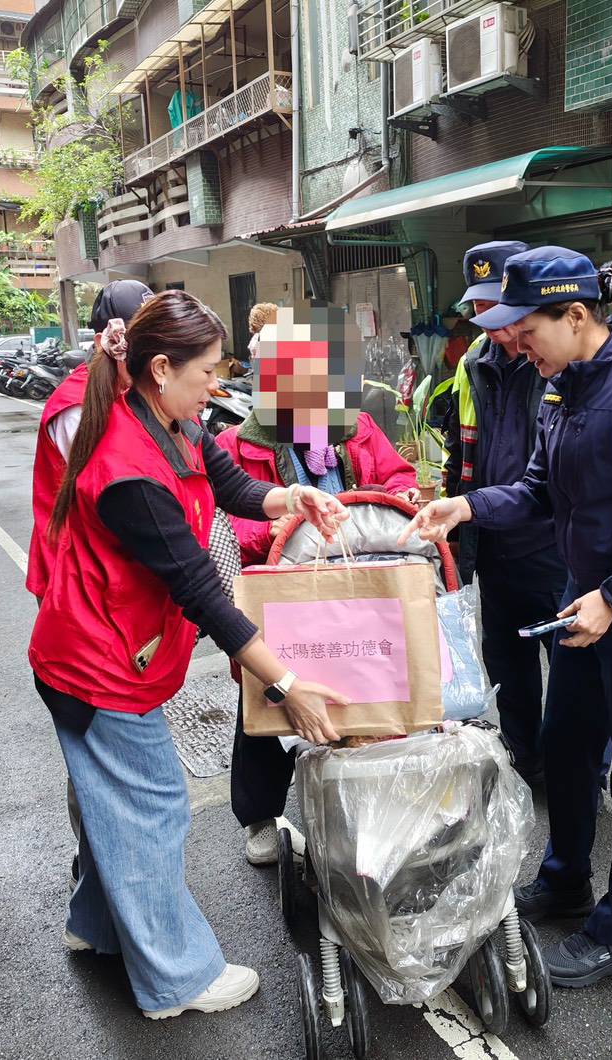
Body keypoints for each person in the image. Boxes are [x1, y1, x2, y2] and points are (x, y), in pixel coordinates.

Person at [401, 247, 612, 988]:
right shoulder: (560, 389)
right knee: (566, 748)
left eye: (526, 330)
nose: (516, 344)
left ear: (576, 316)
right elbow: (538, 490)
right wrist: (467, 505)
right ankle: (565, 879)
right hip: (582, 603)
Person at [28, 291, 351, 1020]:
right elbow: (202, 590)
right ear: (160, 368)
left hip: (113, 646)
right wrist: (287, 683)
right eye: (208, 371)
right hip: (96, 663)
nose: (218, 385)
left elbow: (228, 485)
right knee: (152, 810)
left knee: (114, 805)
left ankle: (96, 928)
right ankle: (175, 980)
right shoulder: (126, 467)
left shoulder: (172, 419)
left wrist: (291, 498)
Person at [216, 306, 418, 864]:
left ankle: (364, 801)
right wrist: (273, 528)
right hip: (282, 595)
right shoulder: (237, 444)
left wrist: (401, 496)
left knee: (363, 688)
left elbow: (395, 476)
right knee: (269, 701)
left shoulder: (358, 429)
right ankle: (260, 816)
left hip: (358, 584)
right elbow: (226, 522)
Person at [442, 240, 567, 784]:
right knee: (508, 667)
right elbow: (459, 445)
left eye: (498, 305)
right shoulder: (474, 361)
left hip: (555, 546)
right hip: (493, 540)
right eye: (478, 306)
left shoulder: (560, 359)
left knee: (572, 669)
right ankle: (527, 761)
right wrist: (453, 523)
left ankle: (583, 769)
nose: (488, 318)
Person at [27, 279, 154, 599]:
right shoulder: (76, 406)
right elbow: (123, 496)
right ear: (104, 341)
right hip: (76, 577)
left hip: (122, 567)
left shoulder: (138, 390)